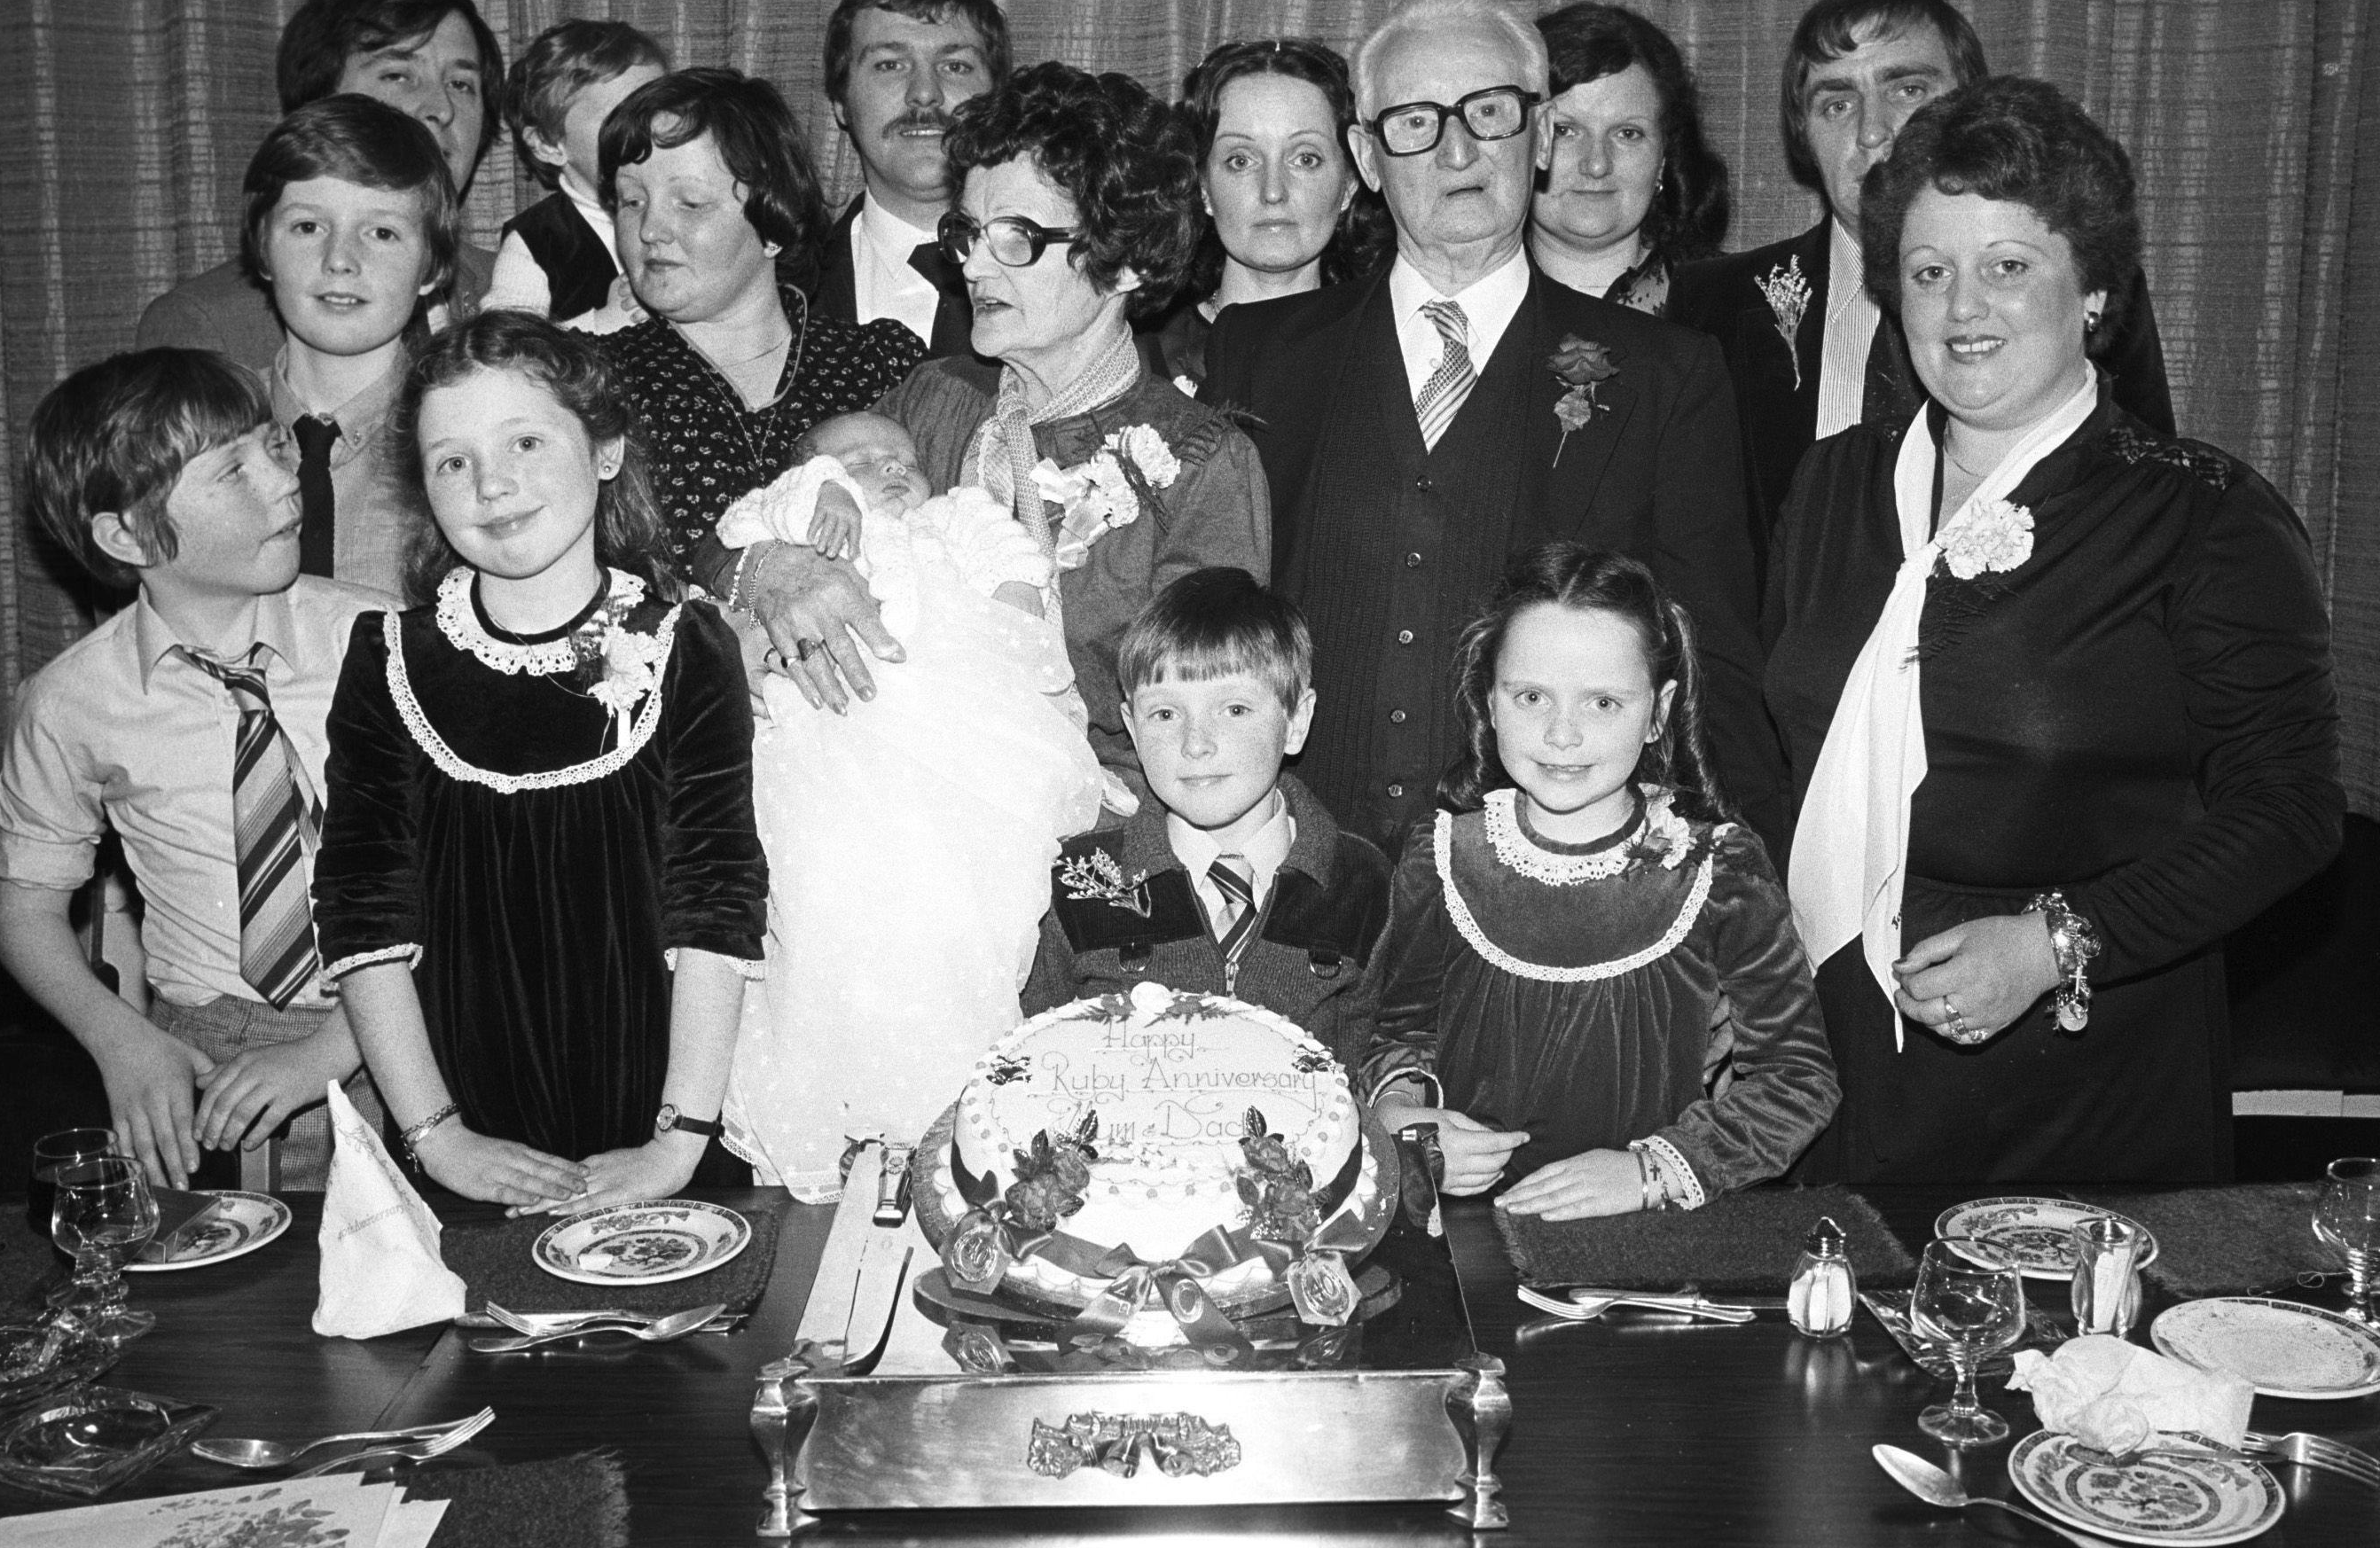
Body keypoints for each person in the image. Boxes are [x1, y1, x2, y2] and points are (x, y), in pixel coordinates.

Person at [1768, 77, 2340, 1185]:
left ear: (2096, 293)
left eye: (2009, 267)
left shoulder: (2204, 517)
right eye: (1930, 272)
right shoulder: (1835, 485)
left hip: (2080, 1069)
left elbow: (2290, 812)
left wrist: (2052, 944)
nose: (1962, 306)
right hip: (1827, 1058)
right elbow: (1764, 749)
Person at [1201, 0, 1781, 852]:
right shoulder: (1262, 353)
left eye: (1491, 111)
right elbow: (1210, 633)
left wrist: (1734, 895)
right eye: (1415, 122)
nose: (1458, 148)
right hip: (1302, 879)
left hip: (1551, 898)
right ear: (1366, 154)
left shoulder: (1668, 375)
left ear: (1541, 133)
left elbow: (1714, 676)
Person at [726, 62, 1272, 810]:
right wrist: (767, 571)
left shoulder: (1200, 462)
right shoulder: (931, 400)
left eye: (1015, 236)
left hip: (1093, 841)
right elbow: (747, 523)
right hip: (890, 806)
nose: (973, 263)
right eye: (969, 232)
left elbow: (1207, 734)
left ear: (1126, 263)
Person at [315, 313, 764, 1210]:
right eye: (452, 461)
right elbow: (363, 917)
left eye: (525, 440)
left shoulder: (684, 645)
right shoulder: (390, 658)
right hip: (464, 1127)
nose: (491, 484)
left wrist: (677, 1146)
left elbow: (716, 903)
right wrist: (439, 1141)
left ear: (604, 450)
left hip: (658, 1121)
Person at [0, 349, 390, 1189]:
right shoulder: (69, 701)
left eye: (271, 447)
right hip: (213, 1053)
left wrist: (334, 1044)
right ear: (126, 533)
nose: (285, 483)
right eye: (232, 472)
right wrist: (121, 1038)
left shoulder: (383, 638)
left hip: (407, 1016)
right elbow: (25, 912)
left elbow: (461, 867)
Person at [1365, 543, 1836, 1217]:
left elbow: (1797, 1079)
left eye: (1603, 703)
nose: (1562, 734)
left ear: (1659, 710)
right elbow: (1398, 1035)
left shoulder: (1717, 868)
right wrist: (1407, 1119)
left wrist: (1650, 1172)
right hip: (1464, 1229)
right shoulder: (1442, 853)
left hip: (1643, 1237)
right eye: (1531, 696)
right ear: (1489, 700)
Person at [1671, 0, 2177, 587]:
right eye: (1835, 102)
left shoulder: (2068, 291)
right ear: (1801, 133)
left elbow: (2144, 517)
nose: (1872, 130)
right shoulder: (1713, 305)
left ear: (1969, 103)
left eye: (1906, 88)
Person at [714, 411, 1108, 1196]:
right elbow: (742, 528)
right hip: (834, 744)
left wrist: (1011, 605)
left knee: (968, 915)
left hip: (956, 751)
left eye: (901, 456)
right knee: (825, 915)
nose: (887, 467)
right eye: (856, 458)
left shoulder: (949, 516)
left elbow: (1011, 556)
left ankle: (954, 1115)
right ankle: (828, 1121)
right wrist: (826, 495)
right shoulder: (803, 529)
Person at [1024, 567, 1394, 1068]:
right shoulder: (1077, 878)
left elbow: (1361, 1060)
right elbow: (1036, 1059)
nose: (1196, 744)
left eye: (1235, 710)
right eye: (1166, 714)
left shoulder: (1361, 880)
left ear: (1296, 721)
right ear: (1131, 727)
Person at [594, 66, 928, 557]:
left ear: (773, 224)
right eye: (631, 201)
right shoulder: (592, 381)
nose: (650, 230)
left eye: (689, 203)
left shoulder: (880, 362)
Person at [137, 0, 504, 366]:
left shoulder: (525, 290)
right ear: (320, 105)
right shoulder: (209, 327)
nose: (441, 108)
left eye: (461, 84)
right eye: (398, 75)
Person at [243, 94, 458, 599]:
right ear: (262, 246)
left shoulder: (464, 438)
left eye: (382, 233)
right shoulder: (208, 439)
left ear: (432, 266)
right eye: (308, 227)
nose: (340, 259)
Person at [1144, 37, 1388, 384]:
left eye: (1305, 159)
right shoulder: (1144, 367)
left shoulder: (1388, 358)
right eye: (1240, 160)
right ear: (1203, 187)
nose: (1273, 191)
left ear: (1349, 183)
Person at [810, 0, 1012, 358]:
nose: (924, 93)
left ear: (997, 98)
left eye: (955, 66)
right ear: (840, 103)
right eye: (890, 65)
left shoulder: (1073, 278)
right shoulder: (788, 293)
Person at [1527, 2, 1733, 309]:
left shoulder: (1737, 307)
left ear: (1665, 156)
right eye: (1564, 131)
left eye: (1627, 134)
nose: (1596, 165)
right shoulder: (1460, 301)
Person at [482, 19, 670, 332]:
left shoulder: (694, 208)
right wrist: (604, 322)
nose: (648, 132)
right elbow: (502, 349)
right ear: (548, 144)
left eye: (659, 111)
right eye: (619, 116)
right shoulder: (538, 241)